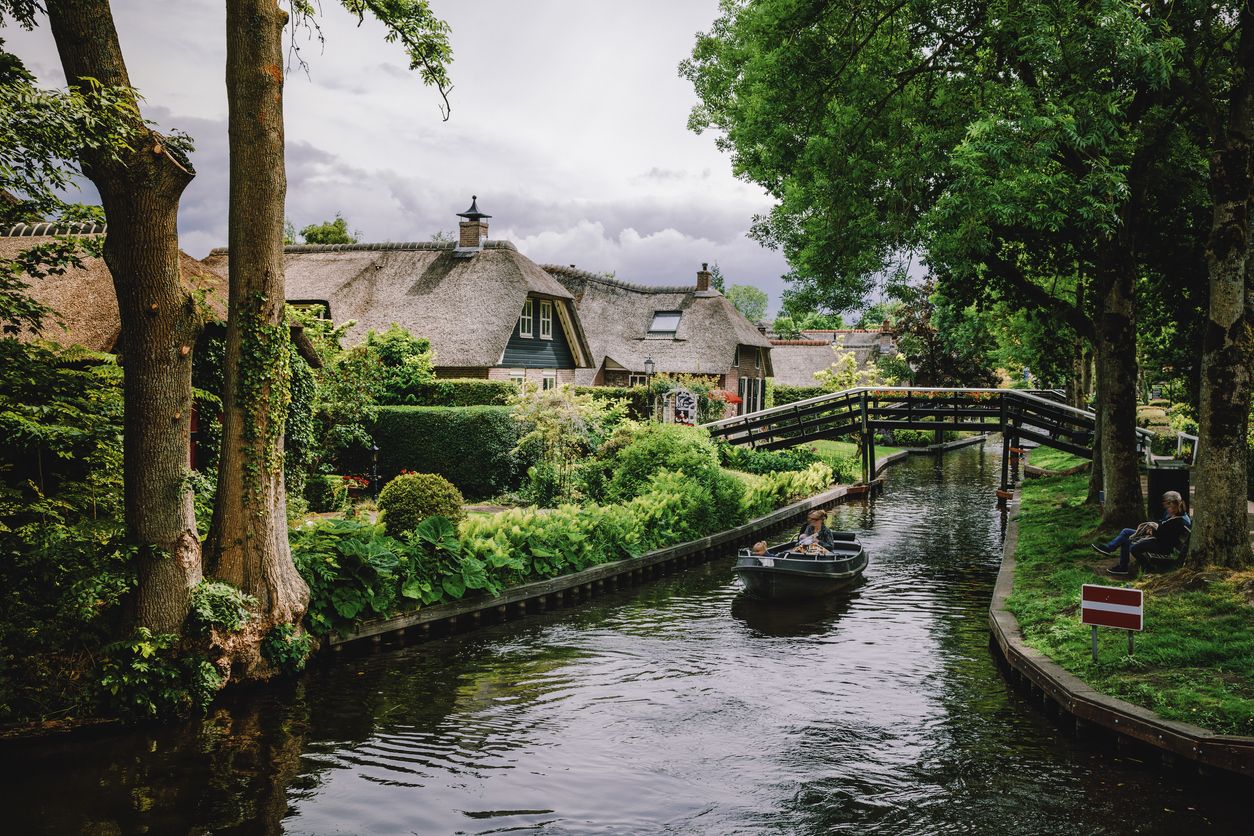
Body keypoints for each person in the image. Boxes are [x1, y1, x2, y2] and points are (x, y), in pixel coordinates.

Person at [1093, 491, 1191, 575]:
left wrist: (1152, 532)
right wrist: (1152, 527)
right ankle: (1110, 549)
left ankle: (1145, 568)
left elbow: (1167, 538)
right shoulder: (1172, 514)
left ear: (1173, 505)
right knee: (1126, 532)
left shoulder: (1179, 521)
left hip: (1162, 545)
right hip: (1157, 538)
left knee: (1133, 547)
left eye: (1167, 505)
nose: (1165, 508)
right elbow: (1162, 525)